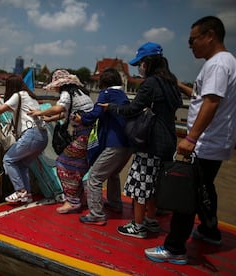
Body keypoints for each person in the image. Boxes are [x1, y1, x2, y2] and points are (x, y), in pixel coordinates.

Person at [145, 16, 236, 264]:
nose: (190, 46)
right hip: (216, 142)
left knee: (184, 196)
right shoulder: (227, 62)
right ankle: (210, 231)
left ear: (209, 36)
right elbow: (203, 96)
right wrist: (178, 85)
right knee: (204, 188)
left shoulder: (218, 65)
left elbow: (211, 103)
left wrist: (191, 138)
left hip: (205, 142)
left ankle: (175, 248)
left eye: (192, 40)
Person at [101, 42, 182, 238]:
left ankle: (137, 226)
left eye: (141, 63)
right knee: (154, 184)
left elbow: (132, 109)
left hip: (151, 142)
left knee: (141, 184)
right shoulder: (171, 82)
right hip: (168, 141)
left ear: (149, 62)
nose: (140, 67)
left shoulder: (152, 83)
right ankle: (151, 221)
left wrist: (110, 108)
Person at [28, 69, 94, 214]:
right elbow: (66, 113)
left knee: (63, 163)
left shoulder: (66, 93)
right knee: (80, 166)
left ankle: (72, 202)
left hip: (83, 135)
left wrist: (40, 112)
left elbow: (60, 108)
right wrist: (50, 119)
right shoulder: (80, 93)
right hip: (92, 135)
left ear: (60, 84)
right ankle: (80, 198)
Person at [74, 68, 132, 225]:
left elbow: (96, 113)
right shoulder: (122, 95)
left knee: (94, 177)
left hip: (115, 144)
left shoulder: (107, 94)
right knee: (113, 173)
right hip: (127, 144)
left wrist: (82, 119)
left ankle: (96, 214)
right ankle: (115, 203)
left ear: (104, 83)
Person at [0, 75, 48, 204]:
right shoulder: (31, 97)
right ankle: (27, 194)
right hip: (42, 137)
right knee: (22, 164)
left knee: (8, 160)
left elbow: (3, 109)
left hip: (31, 134)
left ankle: (20, 191)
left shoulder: (18, 95)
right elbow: (13, 107)